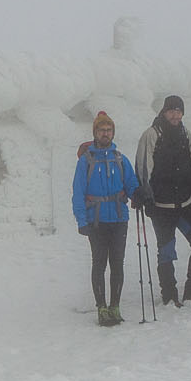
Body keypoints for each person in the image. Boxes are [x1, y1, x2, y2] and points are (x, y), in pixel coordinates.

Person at [132, 95, 191, 305]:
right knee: (167, 251)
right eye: (171, 111)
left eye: (179, 111)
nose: (175, 115)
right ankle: (169, 294)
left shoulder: (185, 133)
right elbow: (143, 167)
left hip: (186, 204)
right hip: (162, 207)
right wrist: (147, 197)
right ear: (164, 112)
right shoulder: (151, 134)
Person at [71, 111, 138, 327]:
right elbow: (78, 192)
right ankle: (102, 308)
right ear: (95, 133)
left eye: (109, 130)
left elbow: (131, 183)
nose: (105, 133)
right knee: (99, 263)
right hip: (96, 220)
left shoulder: (120, 158)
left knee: (117, 263)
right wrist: (82, 221)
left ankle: (115, 306)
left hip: (119, 219)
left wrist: (139, 194)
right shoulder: (86, 161)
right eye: (102, 130)